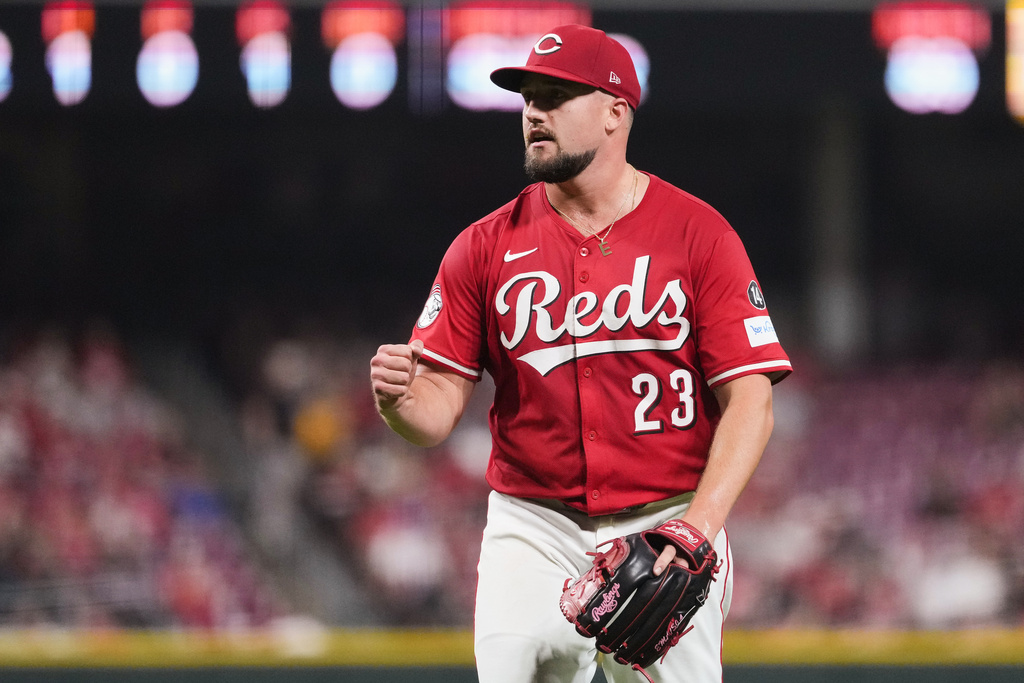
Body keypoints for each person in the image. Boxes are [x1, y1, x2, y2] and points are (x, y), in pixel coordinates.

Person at [370, 24, 792, 683]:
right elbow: (434, 412)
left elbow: (752, 400)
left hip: (666, 517)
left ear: (614, 113)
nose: (533, 111)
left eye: (555, 96)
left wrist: (697, 528)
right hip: (532, 521)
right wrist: (400, 404)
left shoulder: (698, 235)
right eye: (528, 98)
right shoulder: (482, 247)